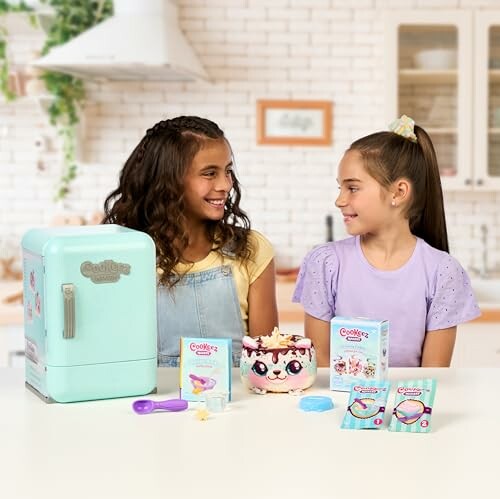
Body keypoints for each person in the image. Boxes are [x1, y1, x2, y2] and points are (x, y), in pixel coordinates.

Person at [293, 115, 480, 368]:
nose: (339, 200)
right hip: (341, 405)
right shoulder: (325, 263)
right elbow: (321, 364)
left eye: (353, 188)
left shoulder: (443, 272)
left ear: (398, 192)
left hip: (410, 406)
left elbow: (432, 375)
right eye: (340, 188)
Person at [103, 116, 278, 367]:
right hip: (153, 403)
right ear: (168, 180)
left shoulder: (251, 249)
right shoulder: (127, 256)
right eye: (209, 173)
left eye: (228, 171)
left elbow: (267, 363)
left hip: (236, 404)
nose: (225, 184)